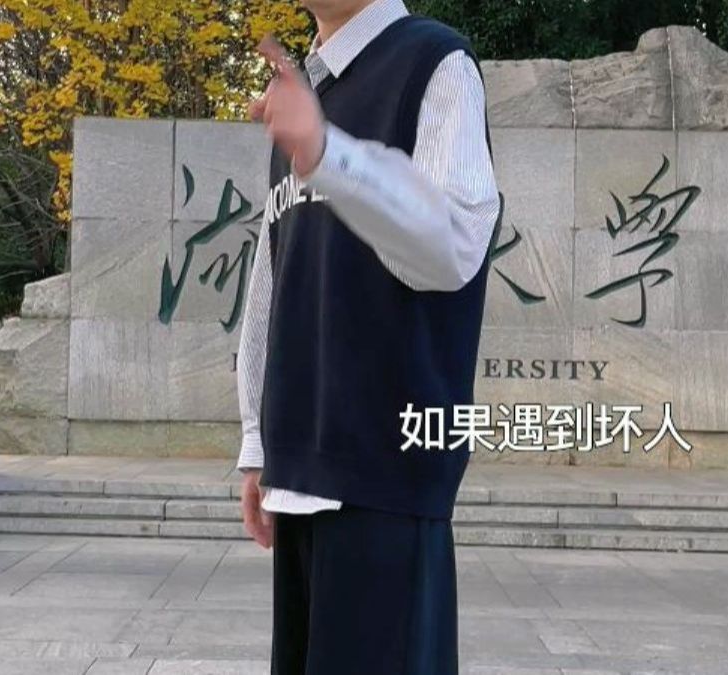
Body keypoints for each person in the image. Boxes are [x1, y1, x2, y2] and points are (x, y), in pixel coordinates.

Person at [235, 0, 500, 672]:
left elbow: (453, 249)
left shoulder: (434, 62)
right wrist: (257, 441)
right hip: (299, 475)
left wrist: (329, 155)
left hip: (386, 477)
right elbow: (272, 280)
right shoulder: (305, 94)